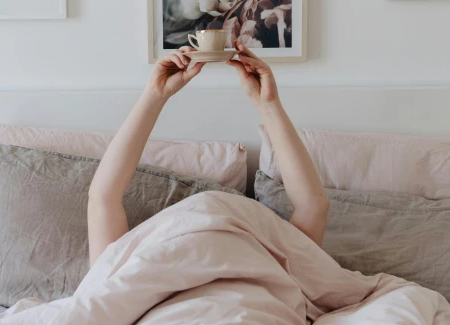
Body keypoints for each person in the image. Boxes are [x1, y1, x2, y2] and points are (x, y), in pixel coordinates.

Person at [88, 41, 329, 267]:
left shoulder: (276, 269)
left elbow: (103, 198)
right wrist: (155, 93)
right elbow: (313, 207)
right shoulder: (127, 279)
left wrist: (268, 103)